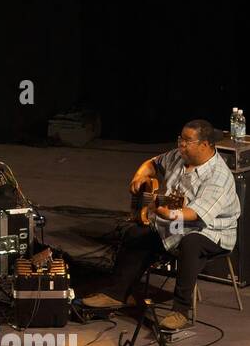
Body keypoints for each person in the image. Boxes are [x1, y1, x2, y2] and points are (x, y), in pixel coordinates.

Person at [98, 119, 241, 330]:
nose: (181, 145)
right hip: (177, 224)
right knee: (136, 234)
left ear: (205, 145)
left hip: (211, 231)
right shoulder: (178, 156)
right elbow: (153, 164)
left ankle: (180, 310)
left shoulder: (218, 177)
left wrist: (160, 211)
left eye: (187, 141)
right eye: (180, 139)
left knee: (191, 244)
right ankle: (116, 294)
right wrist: (140, 175)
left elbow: (193, 214)